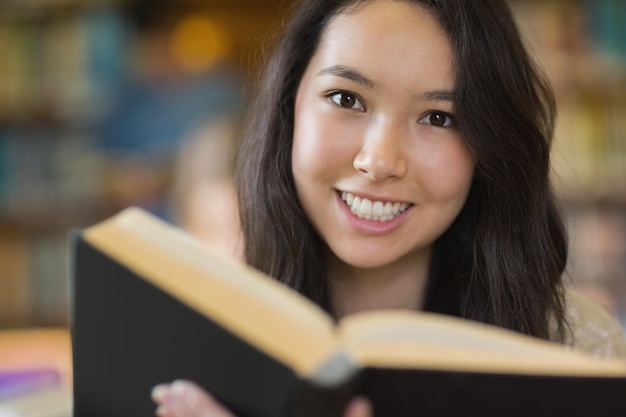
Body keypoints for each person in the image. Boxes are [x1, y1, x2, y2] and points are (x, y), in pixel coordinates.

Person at [151, 0, 626, 416]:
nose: (379, 161)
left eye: (439, 118)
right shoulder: (185, 346)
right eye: (346, 98)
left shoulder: (578, 350)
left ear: (491, 148)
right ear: (288, 108)